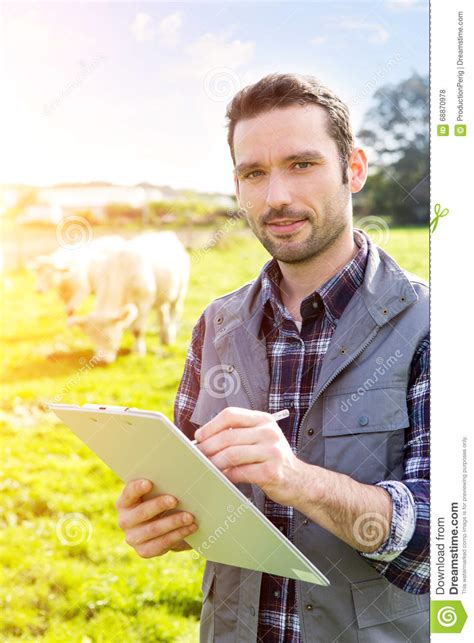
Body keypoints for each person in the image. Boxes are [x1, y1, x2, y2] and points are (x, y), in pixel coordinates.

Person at [116, 73, 429, 642]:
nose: (275, 195)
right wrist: (163, 520)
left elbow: (444, 547)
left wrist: (296, 479)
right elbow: (195, 493)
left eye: (301, 164)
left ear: (353, 169)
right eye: (253, 173)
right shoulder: (216, 324)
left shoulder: (434, 324)